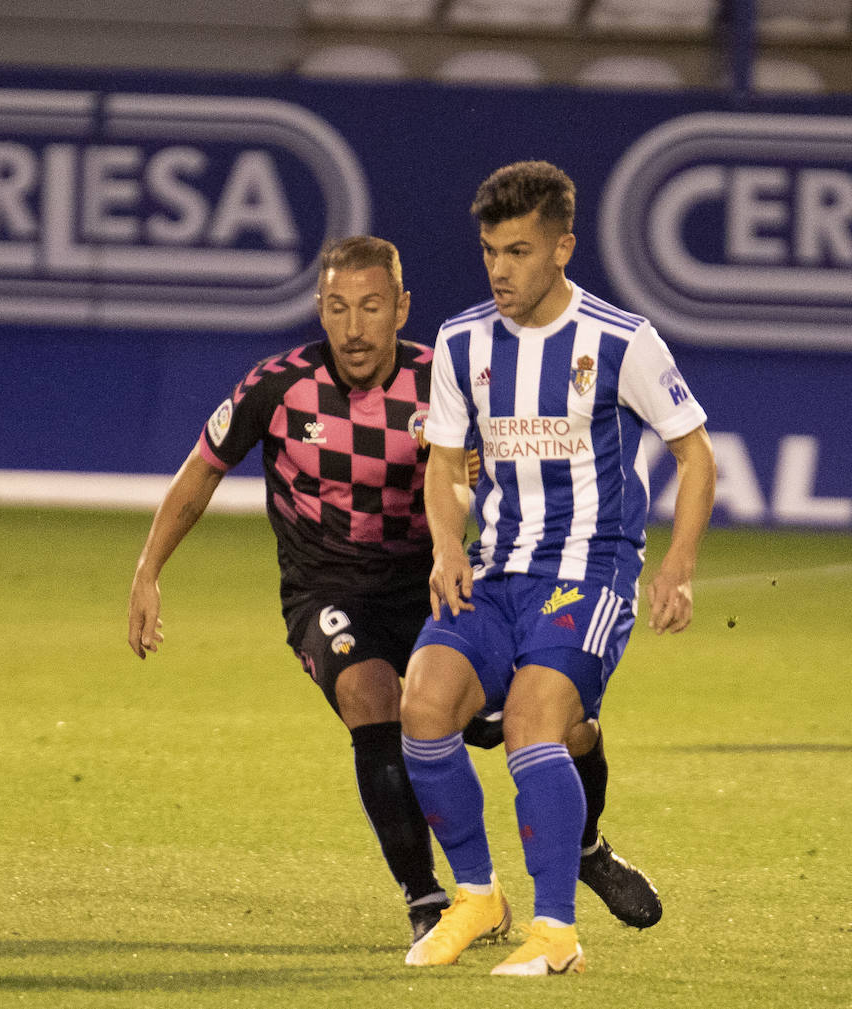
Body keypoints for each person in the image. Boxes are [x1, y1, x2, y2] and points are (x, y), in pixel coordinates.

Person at [127, 234, 662, 948]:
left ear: (401, 308)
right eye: (338, 307)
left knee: (559, 727)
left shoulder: (443, 378)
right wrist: (147, 571)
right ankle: (431, 897)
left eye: (371, 306)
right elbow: (200, 472)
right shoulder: (276, 387)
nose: (354, 327)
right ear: (319, 310)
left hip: (435, 588)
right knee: (371, 700)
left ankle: (587, 846)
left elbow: (505, 468)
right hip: (327, 594)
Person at [399, 162, 716, 976]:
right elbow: (441, 464)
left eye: (518, 250)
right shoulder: (462, 340)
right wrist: (443, 545)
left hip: (591, 569)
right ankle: (477, 896)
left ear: (563, 248)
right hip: (494, 568)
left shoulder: (621, 340)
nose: (500, 270)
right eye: (488, 251)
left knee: (533, 725)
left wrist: (678, 564)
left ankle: (557, 931)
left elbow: (694, 453)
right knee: (424, 708)